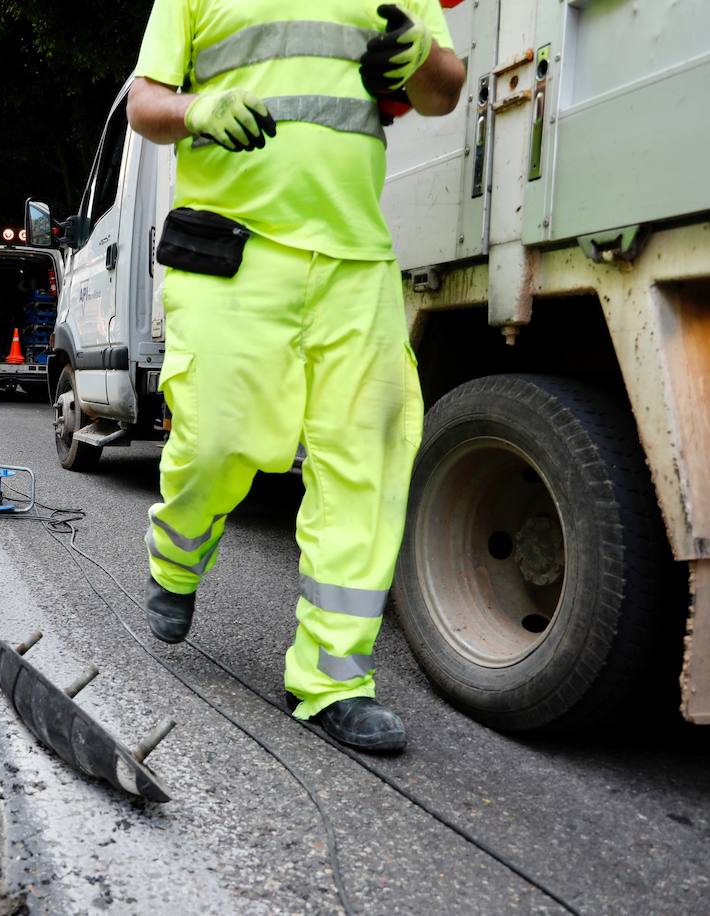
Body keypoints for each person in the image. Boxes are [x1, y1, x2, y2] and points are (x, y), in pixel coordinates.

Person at [128, 0, 465, 752]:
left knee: (365, 464)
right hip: (232, 252)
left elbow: (444, 89)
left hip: (355, 260)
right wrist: (199, 106)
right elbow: (144, 105)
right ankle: (175, 555)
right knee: (215, 440)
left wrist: (419, 60)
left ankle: (332, 681)